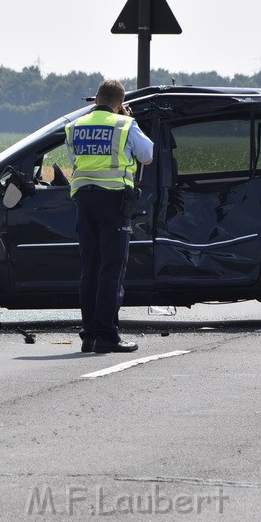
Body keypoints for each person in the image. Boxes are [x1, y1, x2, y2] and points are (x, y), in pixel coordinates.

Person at [65, 79, 154, 353]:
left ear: (96, 99)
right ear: (119, 102)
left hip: (84, 200)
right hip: (113, 200)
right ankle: (107, 335)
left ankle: (89, 335)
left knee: (89, 267)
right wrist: (126, 117)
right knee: (112, 269)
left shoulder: (75, 125)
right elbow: (147, 155)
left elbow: (74, 161)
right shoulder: (125, 124)